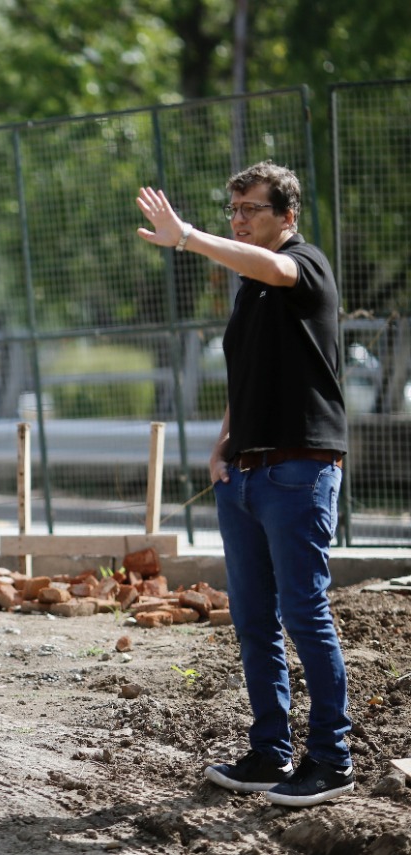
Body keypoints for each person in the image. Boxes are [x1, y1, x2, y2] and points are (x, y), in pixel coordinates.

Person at [135, 160, 353, 807]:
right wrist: (224, 440)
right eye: (232, 211)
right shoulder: (249, 291)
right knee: (255, 619)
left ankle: (331, 758)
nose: (239, 220)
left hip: (298, 469)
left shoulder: (303, 265)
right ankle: (269, 752)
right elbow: (252, 372)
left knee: (304, 613)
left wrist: (191, 237)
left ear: (287, 215)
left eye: (250, 210)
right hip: (247, 475)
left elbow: (277, 268)